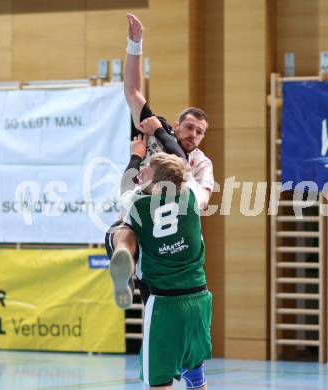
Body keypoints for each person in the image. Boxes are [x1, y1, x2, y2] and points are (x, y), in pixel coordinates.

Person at [106, 13, 214, 309]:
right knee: (122, 231)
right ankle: (125, 272)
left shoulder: (200, 162)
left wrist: (139, 155)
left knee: (125, 227)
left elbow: (201, 201)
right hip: (143, 220)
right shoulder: (157, 131)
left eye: (200, 132)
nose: (194, 135)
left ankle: (129, 268)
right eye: (190, 127)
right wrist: (135, 43)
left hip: (176, 228)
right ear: (177, 126)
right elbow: (132, 91)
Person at [120, 151, 212, 390]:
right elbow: (189, 179)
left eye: (148, 167)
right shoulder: (190, 192)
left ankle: (122, 255)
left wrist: (134, 156)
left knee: (123, 232)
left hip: (164, 303)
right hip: (200, 298)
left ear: (160, 185)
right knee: (195, 372)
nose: (142, 168)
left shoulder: (136, 203)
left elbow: (124, 188)